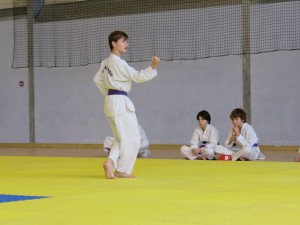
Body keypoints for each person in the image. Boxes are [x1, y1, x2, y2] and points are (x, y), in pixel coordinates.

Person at [93, 31, 160, 179]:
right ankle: (122, 169)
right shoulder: (119, 63)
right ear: (114, 43)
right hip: (120, 102)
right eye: (123, 41)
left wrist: (110, 94)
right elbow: (138, 77)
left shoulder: (105, 63)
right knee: (133, 137)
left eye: (127, 41)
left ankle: (110, 162)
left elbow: (97, 80)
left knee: (120, 138)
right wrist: (153, 67)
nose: (126, 44)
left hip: (110, 101)